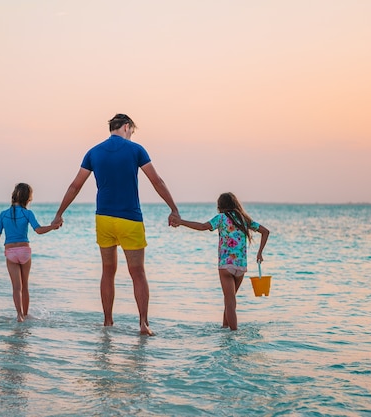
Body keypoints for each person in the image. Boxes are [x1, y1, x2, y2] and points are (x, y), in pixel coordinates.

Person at [52, 114, 181, 336]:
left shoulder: (93, 152)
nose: (131, 135)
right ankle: (143, 324)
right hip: (129, 218)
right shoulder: (136, 150)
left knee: (107, 271)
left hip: (103, 219)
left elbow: (75, 186)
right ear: (126, 127)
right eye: (131, 131)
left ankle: (108, 322)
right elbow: (157, 181)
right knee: (138, 272)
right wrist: (174, 209)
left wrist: (58, 214)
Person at [171, 192, 270, 330]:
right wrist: (260, 253)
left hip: (226, 266)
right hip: (240, 267)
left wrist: (181, 222)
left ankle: (233, 334)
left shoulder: (221, 218)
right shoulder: (244, 219)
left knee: (230, 303)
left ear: (220, 206)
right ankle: (224, 328)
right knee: (230, 300)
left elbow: (202, 226)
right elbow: (266, 231)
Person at [0, 183, 60, 322]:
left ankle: (19, 315)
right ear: (27, 198)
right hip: (24, 252)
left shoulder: (3, 214)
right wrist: (53, 227)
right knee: (25, 286)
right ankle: (25, 314)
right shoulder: (28, 213)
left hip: (11, 252)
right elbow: (39, 230)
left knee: (16, 288)